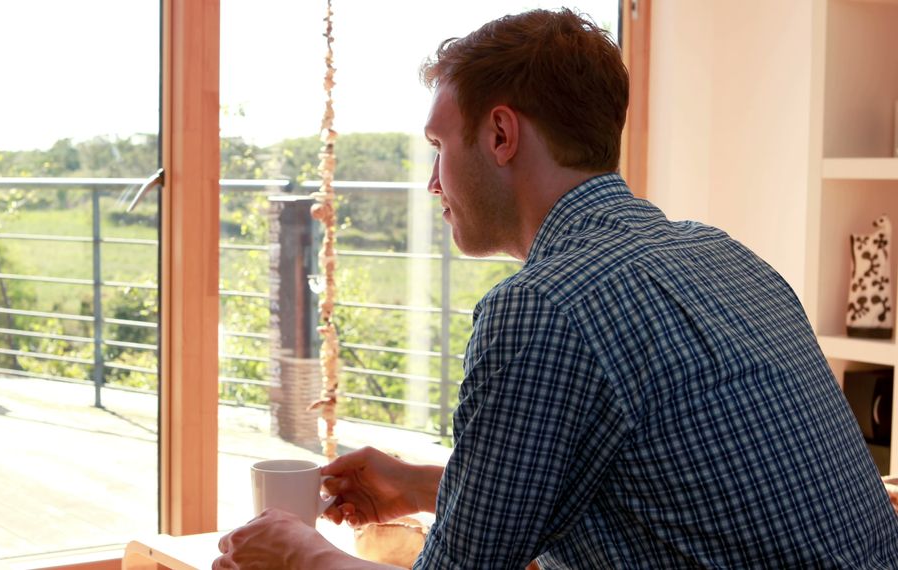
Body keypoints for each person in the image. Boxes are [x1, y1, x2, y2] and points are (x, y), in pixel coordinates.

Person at [214, 8, 898, 569]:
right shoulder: (725, 255)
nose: (431, 183)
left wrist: (300, 552)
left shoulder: (543, 308)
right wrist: (422, 485)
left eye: (438, 147)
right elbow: (663, 500)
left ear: (502, 133)